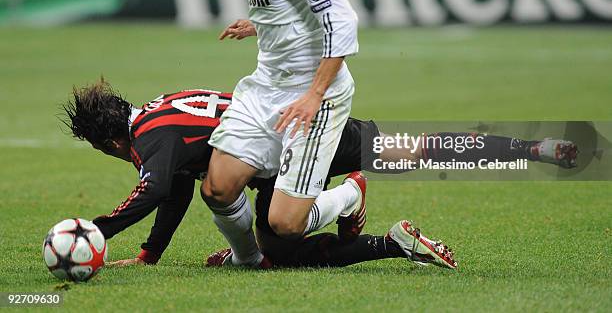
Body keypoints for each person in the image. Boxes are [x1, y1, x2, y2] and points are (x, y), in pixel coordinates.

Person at [62, 79, 577, 270]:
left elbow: (155, 189)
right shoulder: (161, 111)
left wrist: (97, 231)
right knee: (415, 150)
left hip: (296, 145)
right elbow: (173, 189)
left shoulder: (152, 140)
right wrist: (151, 254)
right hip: (291, 135)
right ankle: (529, 147)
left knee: (279, 235)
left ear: (107, 141)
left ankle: (346, 198)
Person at [200, 0, 362, 269]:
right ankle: (249, 260)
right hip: (266, 87)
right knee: (217, 187)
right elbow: (295, 7)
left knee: (286, 224)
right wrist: (261, 24)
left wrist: (314, 95)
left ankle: (350, 195)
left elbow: (341, 21)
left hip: (312, 97)